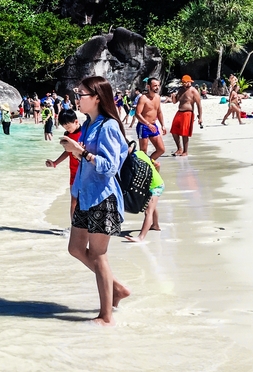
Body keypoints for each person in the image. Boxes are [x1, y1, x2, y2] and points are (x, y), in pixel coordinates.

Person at [59, 76, 131, 326]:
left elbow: (109, 167)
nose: (76, 99)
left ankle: (106, 317)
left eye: (81, 95)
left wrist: (81, 152)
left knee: (99, 255)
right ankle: (117, 288)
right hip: (86, 195)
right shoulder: (89, 124)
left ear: (97, 98)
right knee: (75, 248)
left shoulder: (108, 126)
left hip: (103, 197)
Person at [46, 109, 82, 218]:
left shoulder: (84, 133)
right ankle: (73, 225)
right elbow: (67, 151)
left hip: (85, 171)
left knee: (85, 200)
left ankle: (87, 225)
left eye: (69, 127)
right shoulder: (67, 135)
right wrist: (55, 163)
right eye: (65, 128)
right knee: (74, 200)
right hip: (73, 171)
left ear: (76, 121)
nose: (67, 130)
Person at [123, 150, 165, 242]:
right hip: (154, 183)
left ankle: (141, 237)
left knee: (148, 211)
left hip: (155, 186)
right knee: (152, 207)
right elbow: (157, 165)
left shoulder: (132, 159)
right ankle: (155, 225)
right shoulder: (141, 153)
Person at [135, 78, 166, 168]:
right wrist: (147, 124)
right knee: (143, 151)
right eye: (155, 86)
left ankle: (147, 165)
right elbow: (137, 114)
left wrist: (163, 125)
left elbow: (159, 112)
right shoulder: (143, 98)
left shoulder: (158, 97)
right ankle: (143, 167)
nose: (157, 87)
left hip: (153, 125)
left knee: (161, 149)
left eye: (158, 85)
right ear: (148, 86)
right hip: (143, 126)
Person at [170, 75, 203, 156]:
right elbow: (175, 102)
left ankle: (185, 151)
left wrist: (200, 117)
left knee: (184, 133)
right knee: (174, 131)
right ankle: (179, 149)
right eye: (183, 83)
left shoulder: (193, 91)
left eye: (186, 83)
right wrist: (173, 96)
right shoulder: (181, 90)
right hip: (179, 112)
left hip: (188, 113)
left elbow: (199, 105)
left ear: (190, 82)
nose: (185, 84)